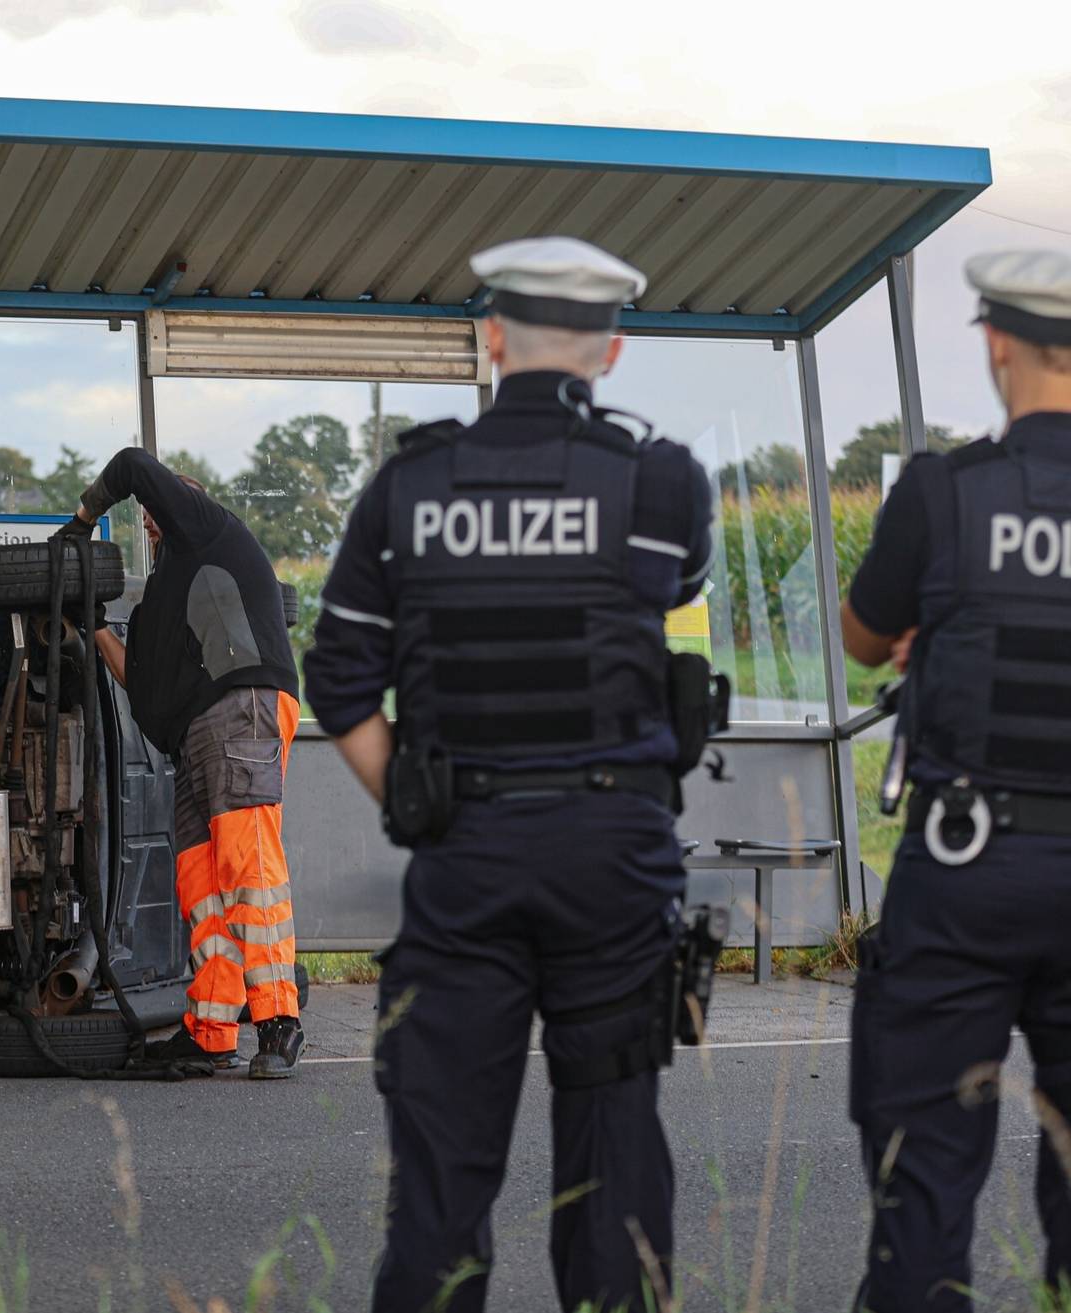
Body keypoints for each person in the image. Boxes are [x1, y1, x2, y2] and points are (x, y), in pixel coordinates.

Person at [303, 235, 713, 1313]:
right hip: (614, 862)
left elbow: (339, 675)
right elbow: (679, 587)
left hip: (466, 858)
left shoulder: (411, 484)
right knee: (617, 1159)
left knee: (441, 1175)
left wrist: (419, 799)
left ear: (490, 339)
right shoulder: (661, 482)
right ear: (611, 350)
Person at [842, 250, 1071, 1313]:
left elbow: (864, 638)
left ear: (993, 344)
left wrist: (937, 635)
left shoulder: (944, 493)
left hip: (964, 872)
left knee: (926, 1168)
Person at [60, 453, 306, 1078]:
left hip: (238, 706)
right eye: (146, 520)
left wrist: (83, 519)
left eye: (154, 513)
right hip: (191, 734)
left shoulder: (207, 527)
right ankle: (213, 1028)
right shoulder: (161, 600)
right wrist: (88, 626)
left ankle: (278, 1020)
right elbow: (135, 683)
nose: (148, 524)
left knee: (248, 865)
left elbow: (134, 463)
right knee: (202, 885)